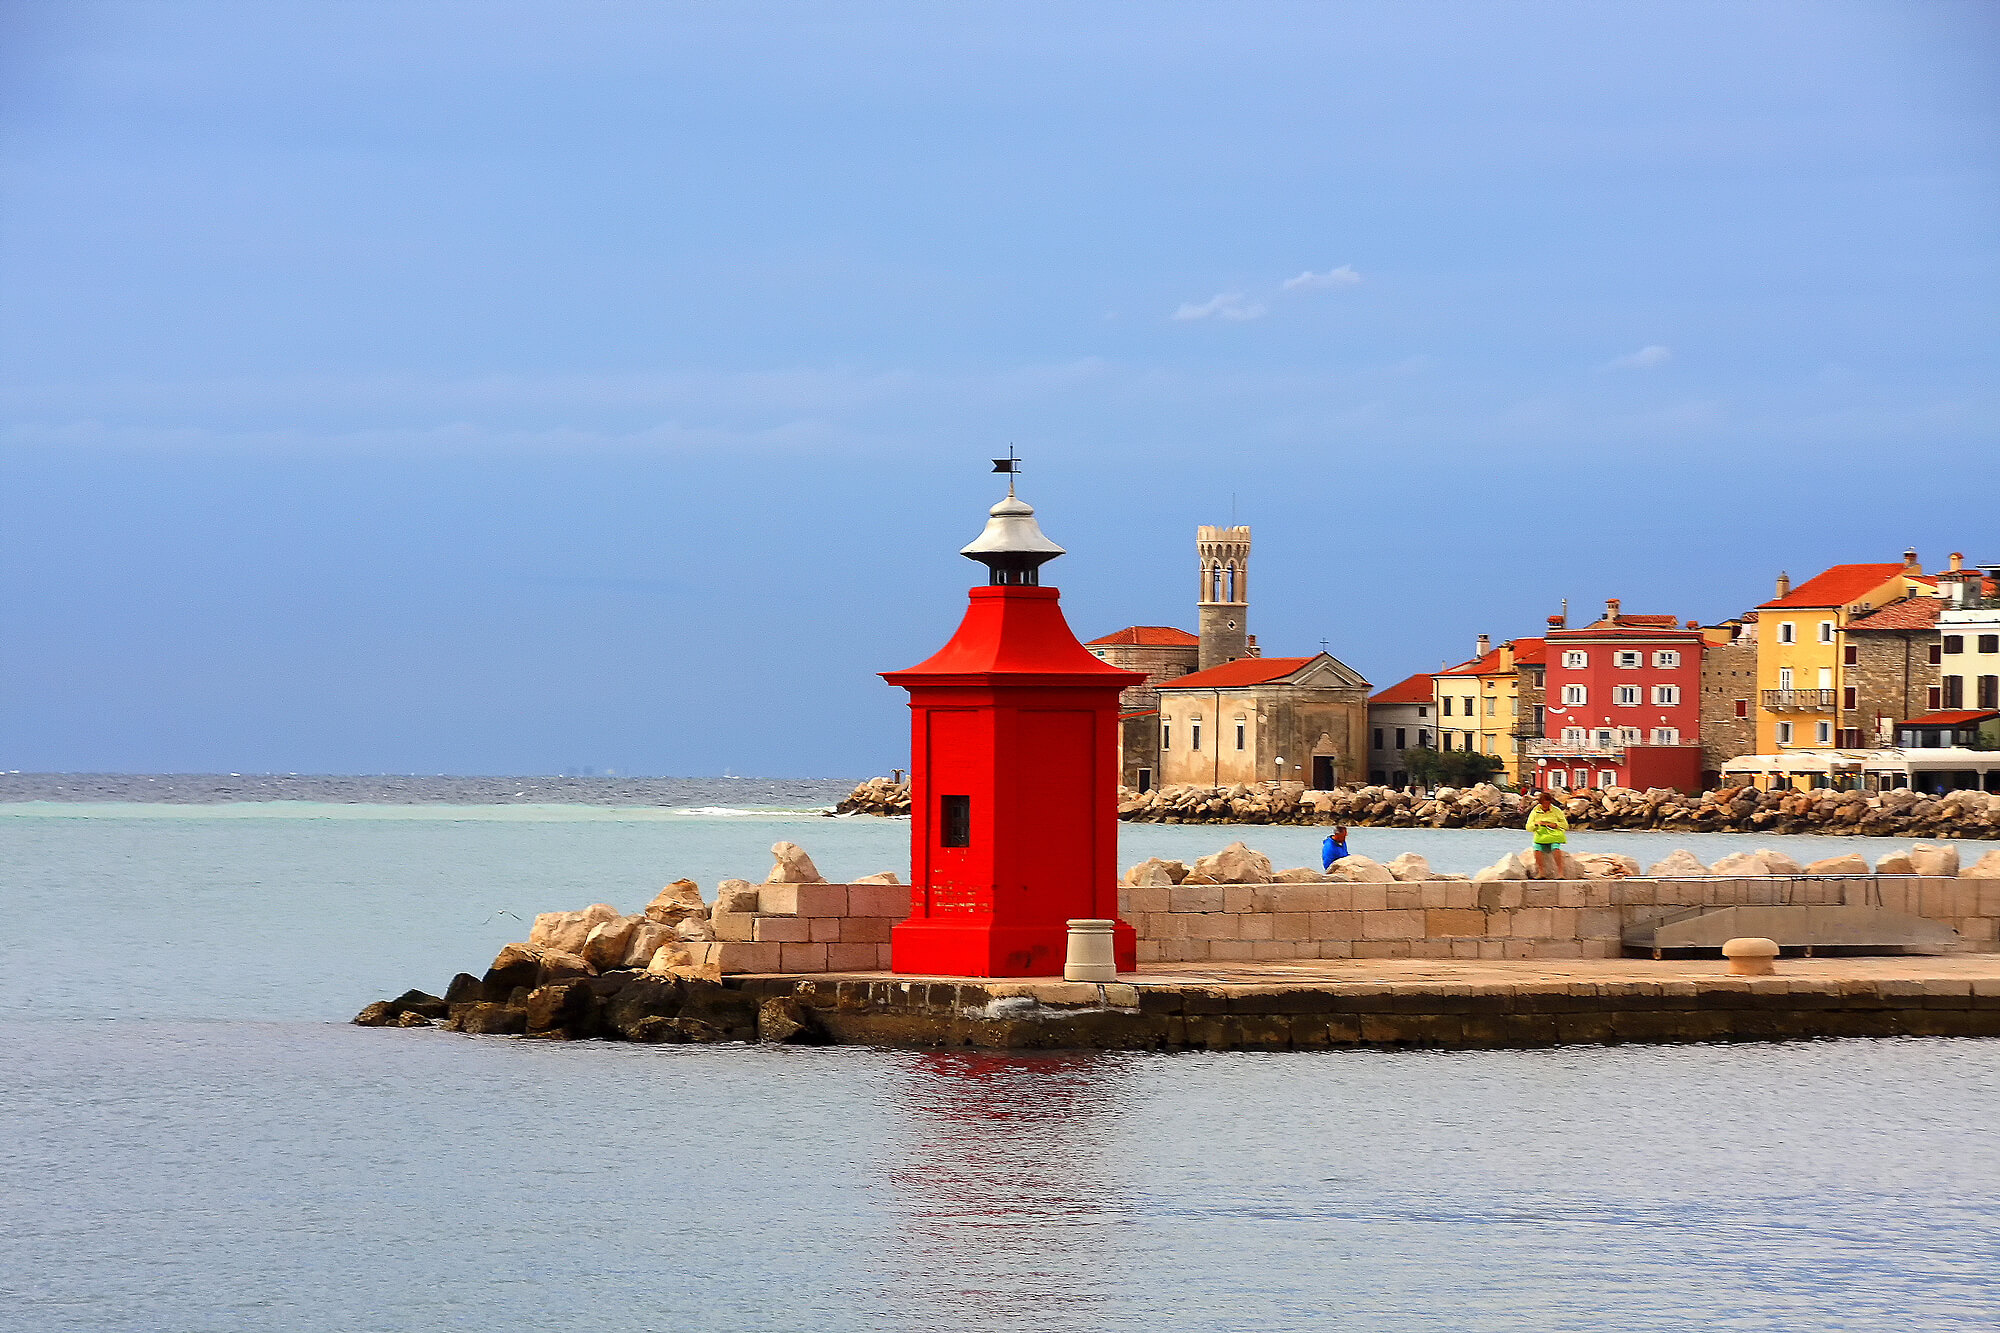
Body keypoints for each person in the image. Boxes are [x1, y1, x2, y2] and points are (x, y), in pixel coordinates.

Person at [1526, 790, 1569, 878]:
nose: (1546, 806)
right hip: (1541, 835)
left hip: (1554, 834)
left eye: (1548, 803)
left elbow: (1565, 825)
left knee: (1555, 848)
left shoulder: (1556, 811)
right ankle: (1541, 872)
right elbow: (1528, 827)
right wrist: (1536, 824)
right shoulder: (1535, 811)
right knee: (1537, 849)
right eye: (1544, 804)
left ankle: (1560, 873)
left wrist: (1555, 825)